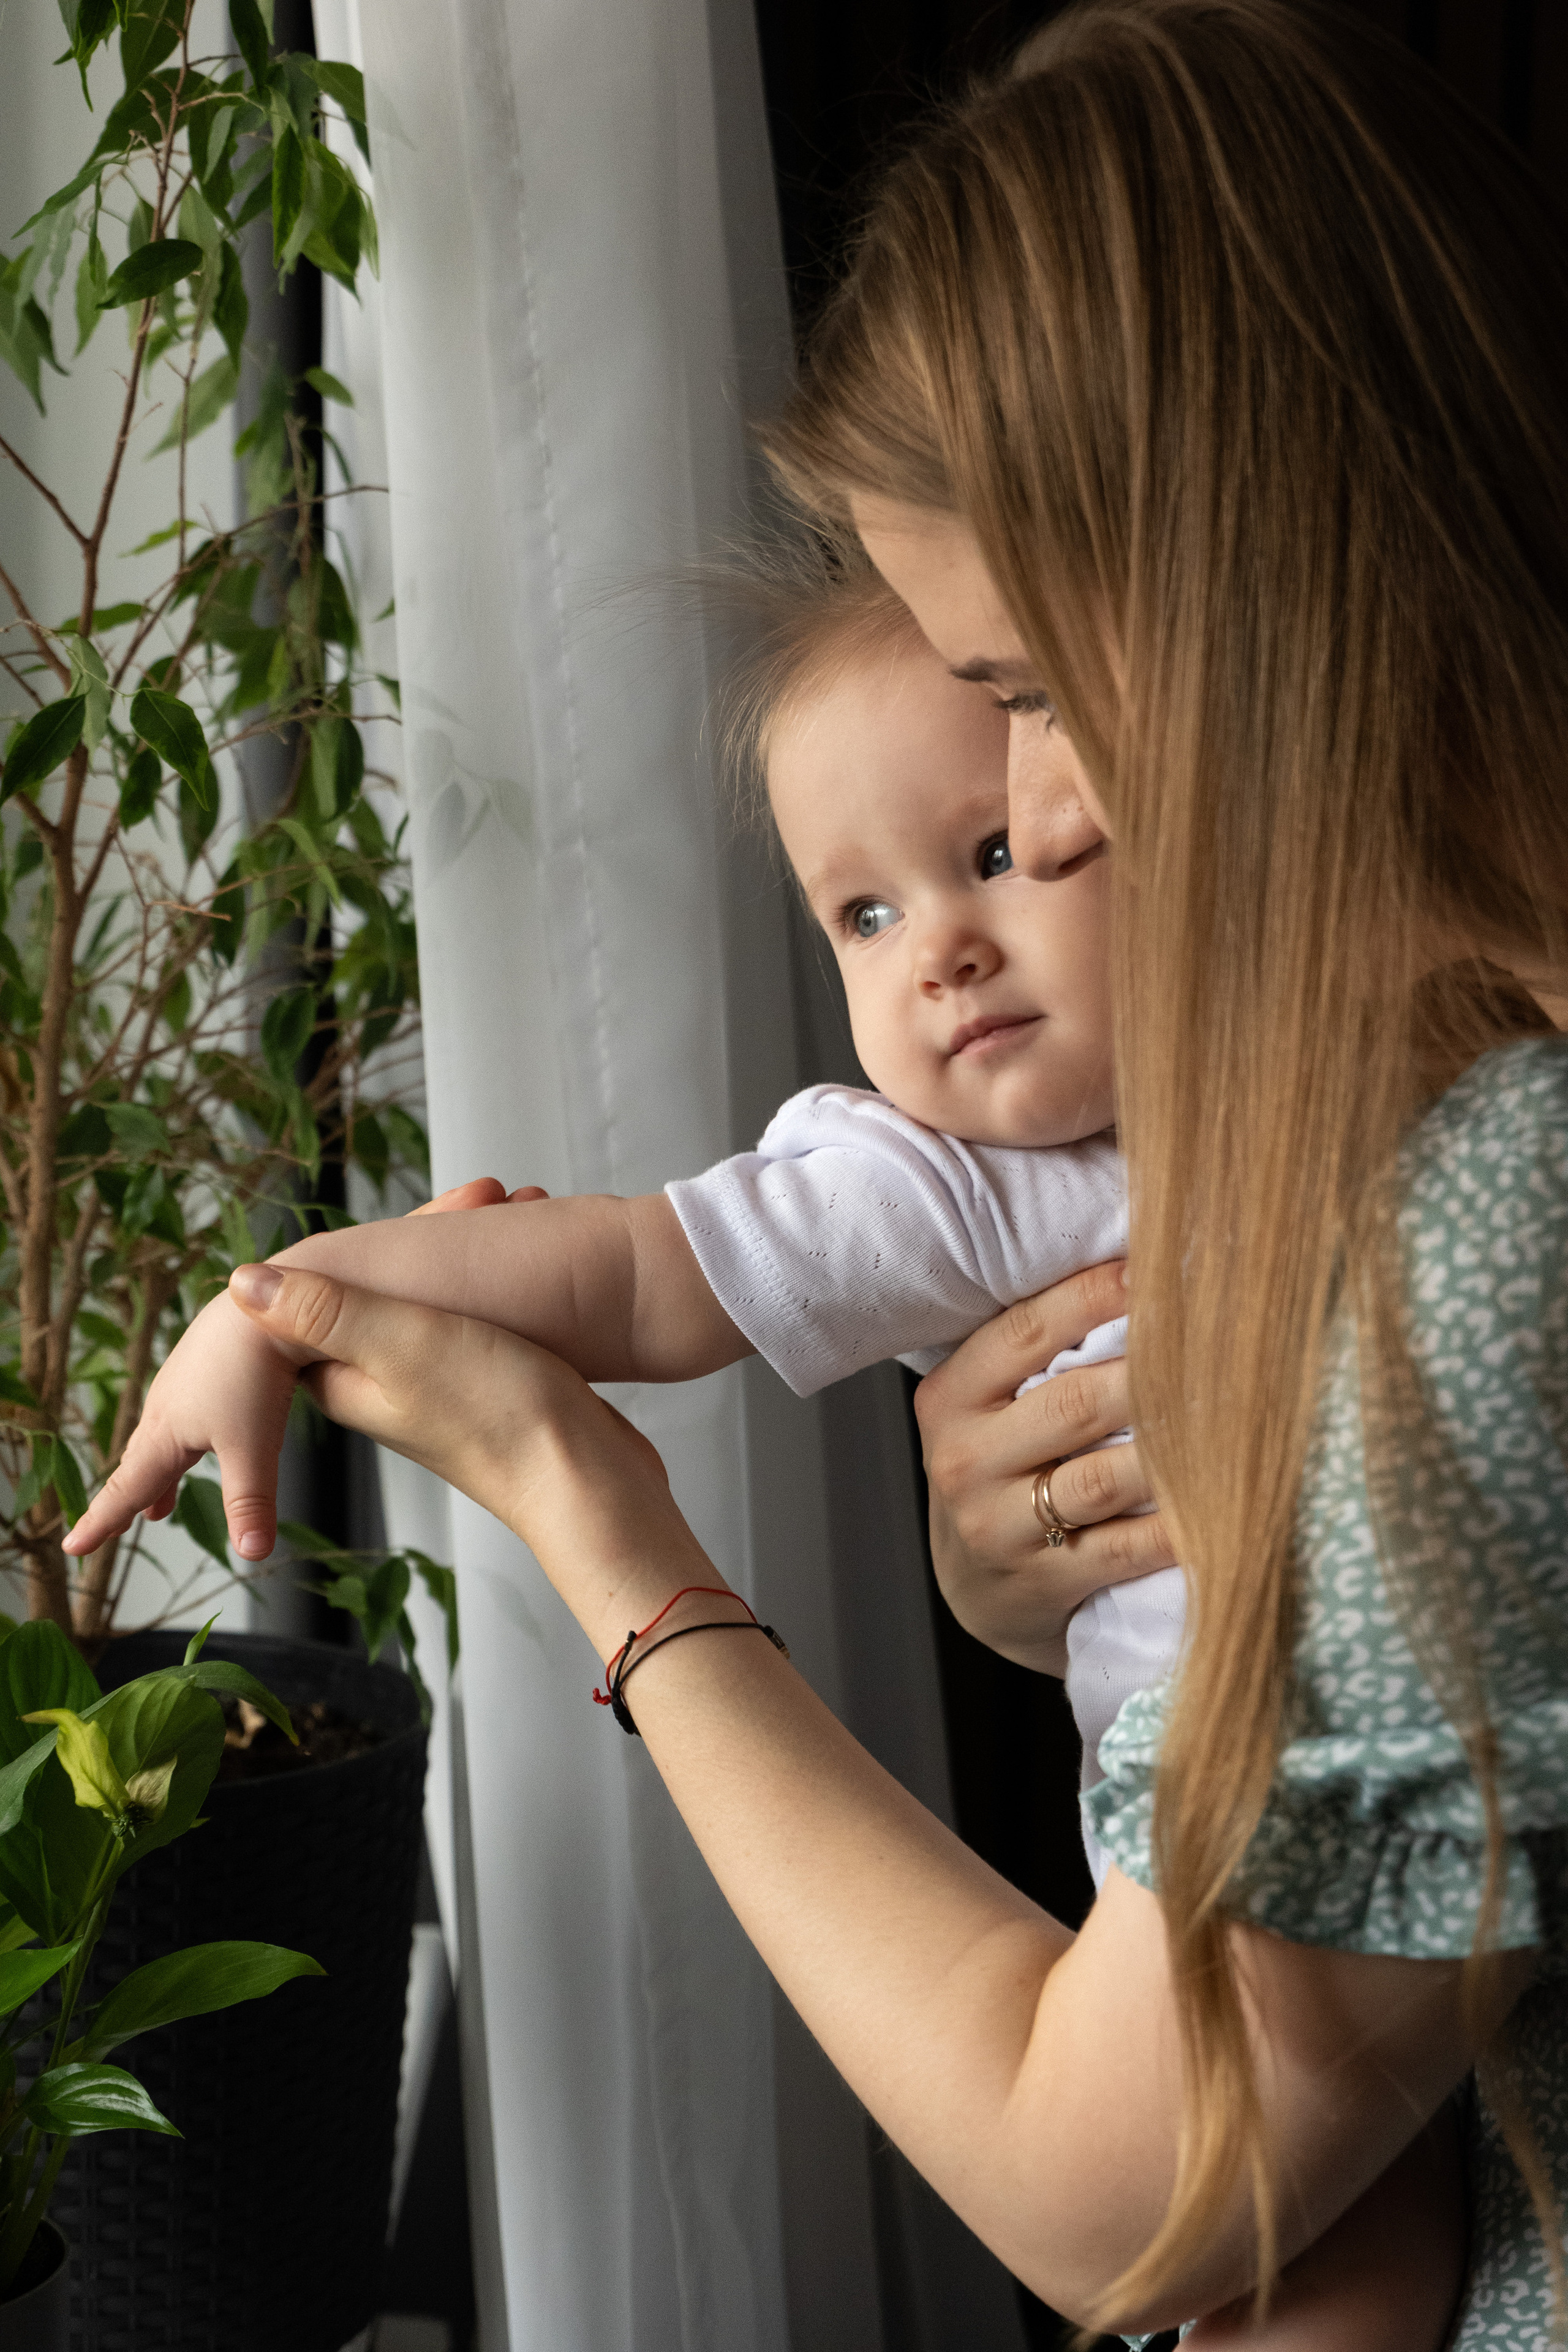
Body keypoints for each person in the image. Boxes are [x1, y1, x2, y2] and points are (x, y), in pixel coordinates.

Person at [89, 0, 1568, 2338]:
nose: (1051, 819)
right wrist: (1015, 1578)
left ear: (1269, 603)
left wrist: (601, 1524)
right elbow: (651, 1260)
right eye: (865, 903)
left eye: (1046, 701)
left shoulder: (1488, 1218)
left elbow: (1132, 2202)